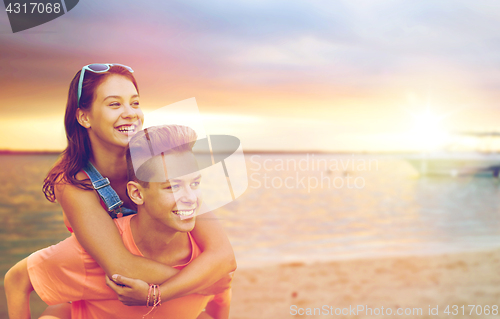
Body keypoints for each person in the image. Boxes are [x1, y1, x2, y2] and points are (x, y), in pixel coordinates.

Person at [4, 64, 235, 318]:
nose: (130, 114)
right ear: (84, 117)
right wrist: (202, 283)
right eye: (115, 104)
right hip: (100, 283)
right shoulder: (72, 181)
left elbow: (221, 252)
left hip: (142, 285)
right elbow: (121, 266)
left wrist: (186, 286)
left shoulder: (159, 162)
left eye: (135, 103)